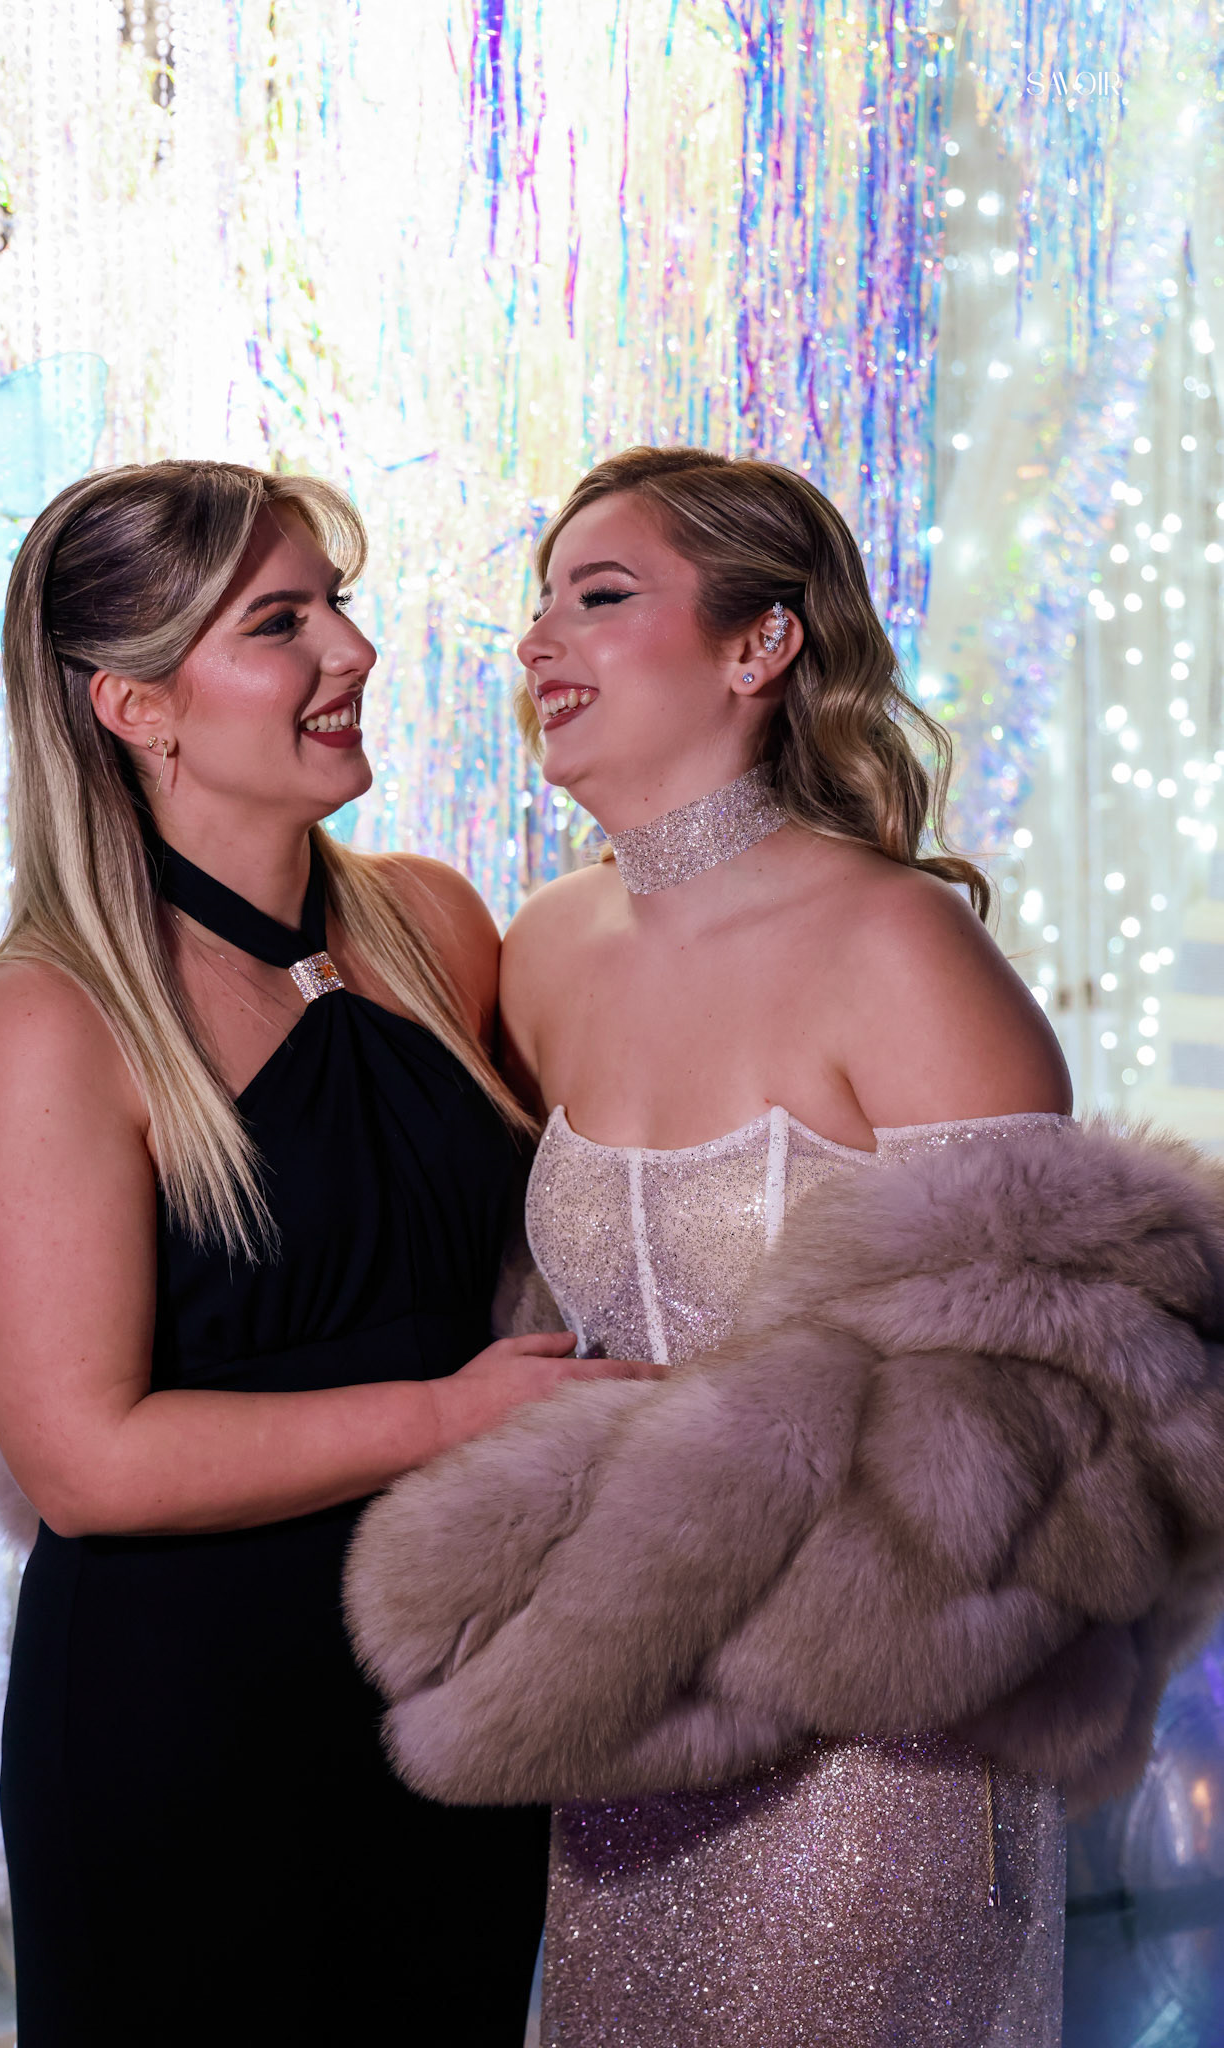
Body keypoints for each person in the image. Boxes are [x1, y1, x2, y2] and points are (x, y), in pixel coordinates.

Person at [345, 447, 1224, 2046]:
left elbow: (1065, 1417)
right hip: (618, 1743)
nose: (540, 641)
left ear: (759, 644)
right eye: (540, 603)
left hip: (884, 1750)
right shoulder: (543, 947)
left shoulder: (897, 943)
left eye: (601, 596)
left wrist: (675, 1608)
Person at [0, 459, 653, 2047]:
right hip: (186, 1719)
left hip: (454, 1693)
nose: (352, 650)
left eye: (336, 604)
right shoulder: (54, 1018)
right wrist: (450, 1416)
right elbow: (82, 1464)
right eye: (280, 623)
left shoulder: (434, 926)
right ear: (136, 707)